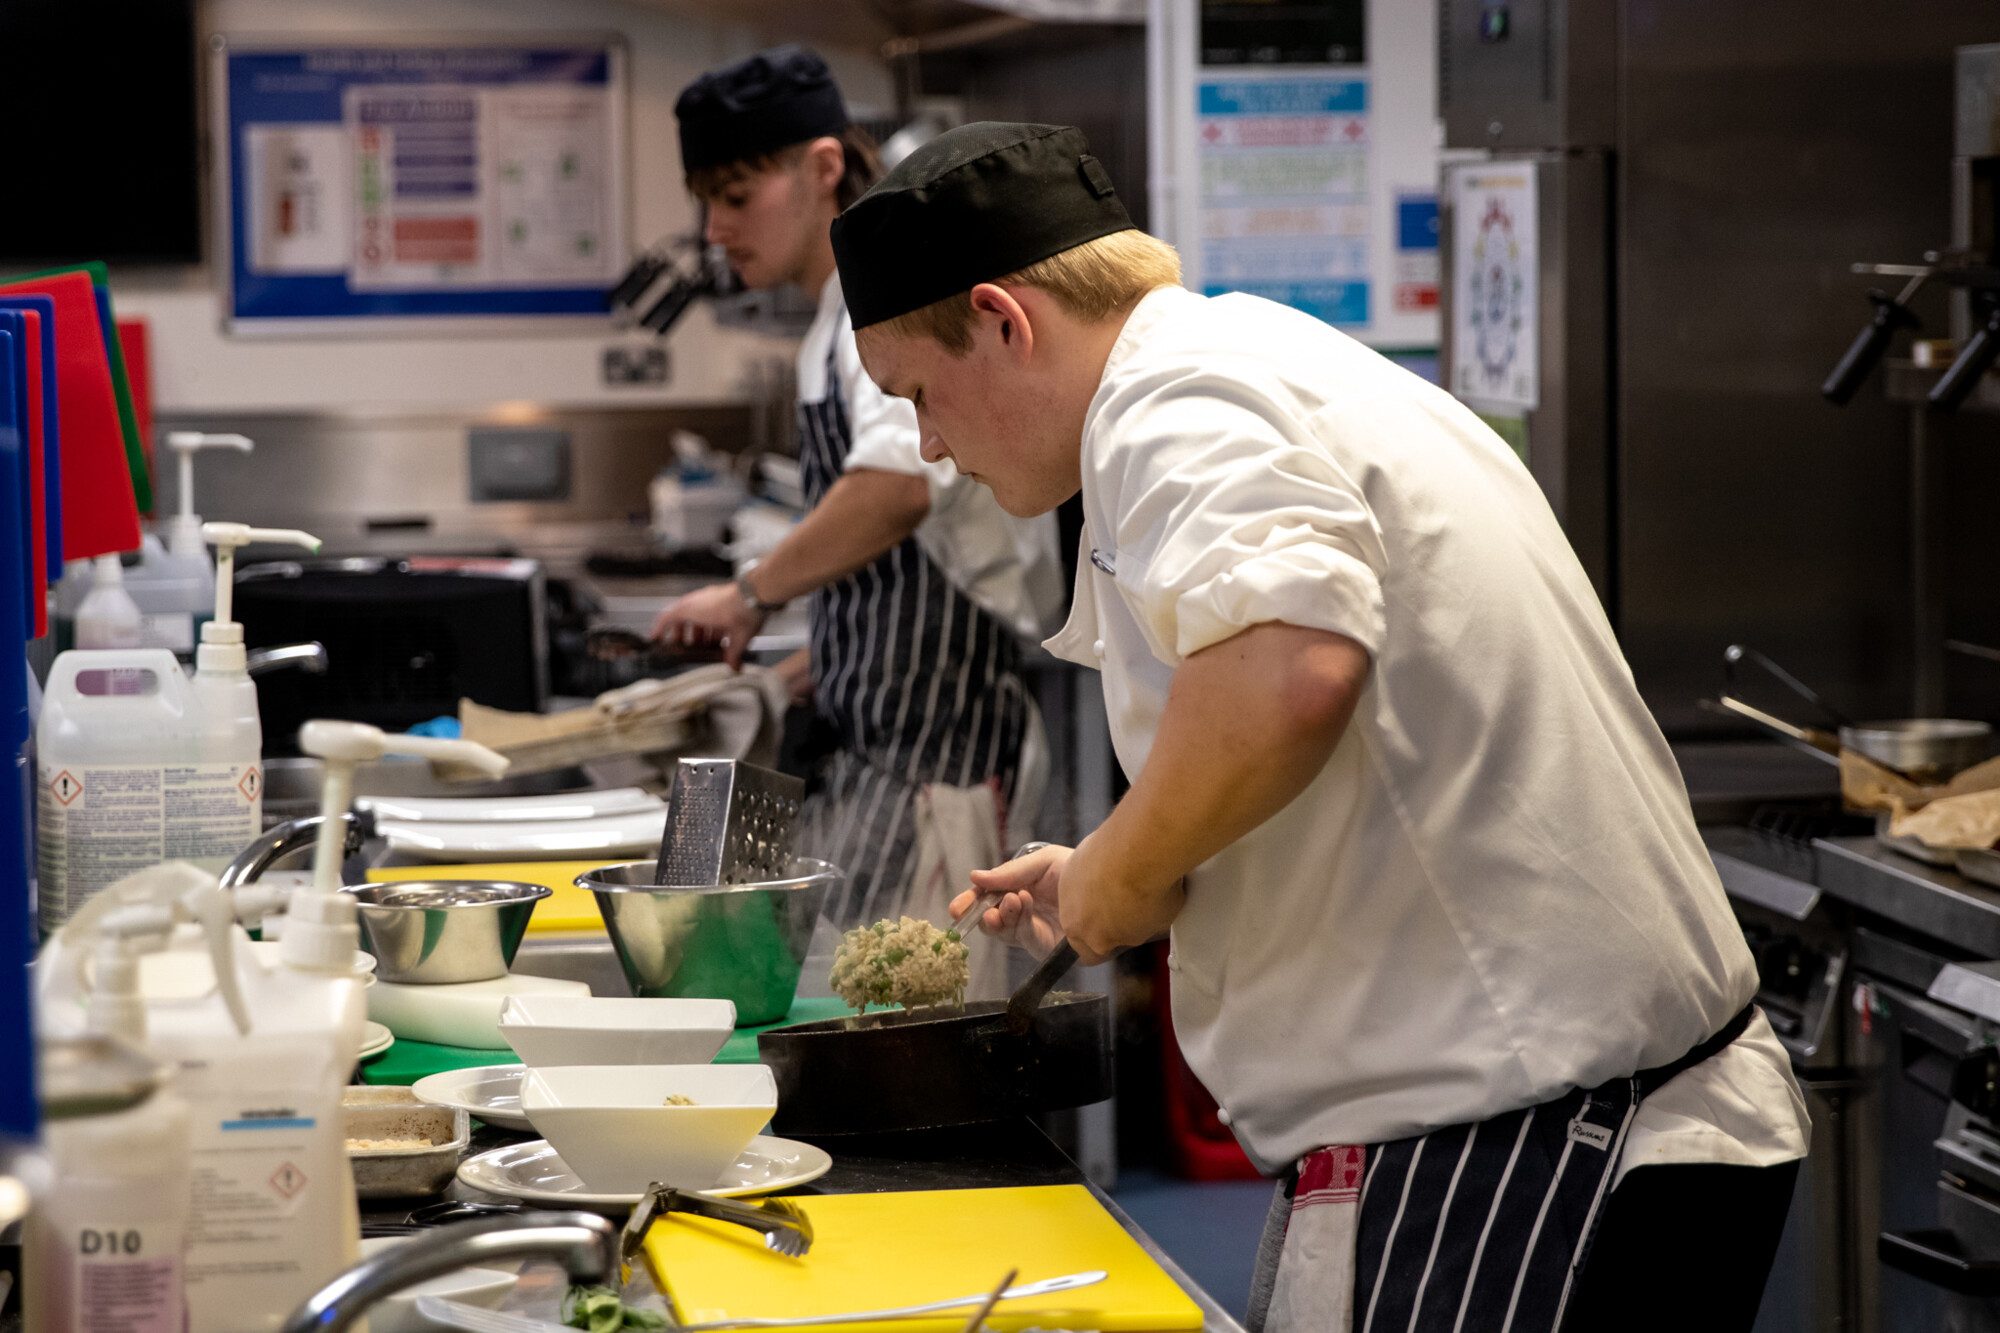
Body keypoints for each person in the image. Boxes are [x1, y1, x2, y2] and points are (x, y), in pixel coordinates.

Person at [831, 121, 1811, 1331]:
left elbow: (1290, 674)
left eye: (919, 395)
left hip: (1531, 1136)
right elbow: (1331, 734)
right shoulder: (1262, 359)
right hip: (1547, 1117)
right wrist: (1123, 865)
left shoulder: (1170, 405)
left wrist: (1119, 876)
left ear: (1000, 320)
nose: (927, 443)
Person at [654, 52, 1064, 938]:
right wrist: (813, 665)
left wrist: (749, 594)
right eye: (706, 202)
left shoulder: (872, 312)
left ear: (823, 166)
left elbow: (897, 489)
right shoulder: (832, 320)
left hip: (940, 752)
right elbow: (891, 575)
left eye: (736, 195)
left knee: (920, 1003)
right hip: (886, 743)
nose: (716, 228)